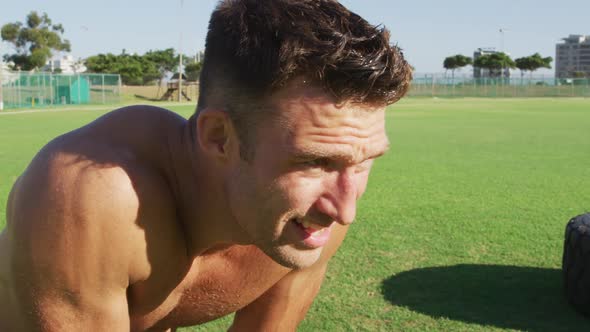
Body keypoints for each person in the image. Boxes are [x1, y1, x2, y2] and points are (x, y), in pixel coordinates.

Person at [0, 0, 412, 330]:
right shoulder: (90, 198)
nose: (345, 210)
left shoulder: (310, 220)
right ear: (218, 137)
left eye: (363, 163)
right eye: (314, 162)